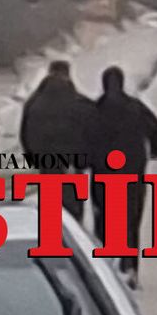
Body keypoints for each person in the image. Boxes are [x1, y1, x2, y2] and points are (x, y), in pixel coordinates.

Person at [90, 66, 157, 289]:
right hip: (132, 175)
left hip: (103, 176)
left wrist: (85, 162)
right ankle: (129, 267)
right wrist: (155, 151)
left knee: (104, 221)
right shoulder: (136, 108)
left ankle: (107, 268)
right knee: (130, 221)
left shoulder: (95, 110)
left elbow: (83, 138)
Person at [20, 60, 96, 221]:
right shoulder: (79, 102)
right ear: (68, 75)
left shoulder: (34, 103)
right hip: (72, 163)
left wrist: (35, 158)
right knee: (72, 206)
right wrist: (86, 160)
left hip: (47, 163)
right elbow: (91, 132)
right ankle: (71, 231)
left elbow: (26, 134)